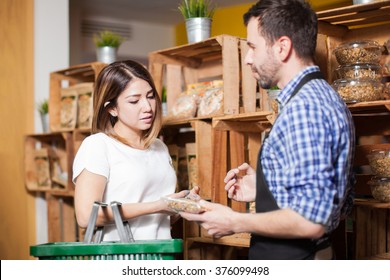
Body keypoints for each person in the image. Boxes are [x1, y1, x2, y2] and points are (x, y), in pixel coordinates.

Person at [180, 0, 355, 260]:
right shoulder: (323, 97)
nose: (248, 59)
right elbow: (336, 201)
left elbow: (311, 220)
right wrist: (266, 187)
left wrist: (234, 221)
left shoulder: (305, 110)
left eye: (252, 47)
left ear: (282, 47)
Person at [73, 60, 191, 241]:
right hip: (119, 258)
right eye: (134, 101)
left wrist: (181, 206)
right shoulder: (98, 146)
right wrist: (157, 206)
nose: (147, 107)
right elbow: (85, 215)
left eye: (150, 96)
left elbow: (159, 220)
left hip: (161, 257)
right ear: (112, 108)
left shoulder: (159, 147)